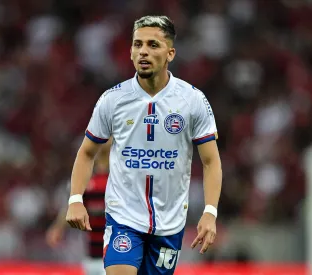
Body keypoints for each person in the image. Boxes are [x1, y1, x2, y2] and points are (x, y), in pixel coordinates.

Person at [49, 15, 223, 275]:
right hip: (124, 218)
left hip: (169, 224)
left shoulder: (193, 101)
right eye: (137, 44)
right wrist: (75, 199)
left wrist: (210, 212)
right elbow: (86, 152)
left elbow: (211, 162)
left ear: (170, 53)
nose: (143, 51)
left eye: (153, 45)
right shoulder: (113, 100)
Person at [47, 139, 112, 275]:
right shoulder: (85, 179)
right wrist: (58, 228)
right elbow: (73, 206)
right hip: (91, 255)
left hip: (115, 254)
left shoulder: (119, 178)